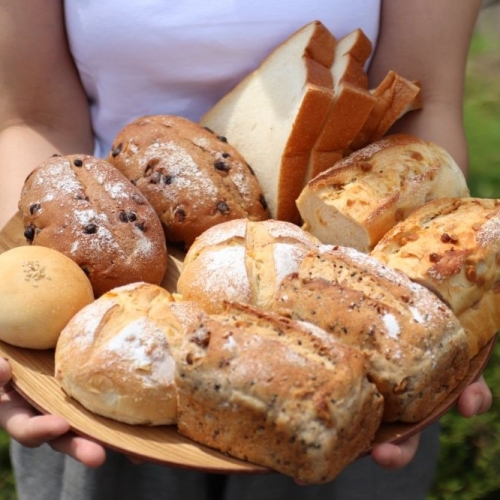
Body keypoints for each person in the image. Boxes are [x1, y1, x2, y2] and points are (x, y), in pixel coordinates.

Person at [0, 1, 492, 499]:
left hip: (346, 333)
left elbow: (426, 104)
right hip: (112, 333)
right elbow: (30, 116)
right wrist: (21, 298)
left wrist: (449, 290)